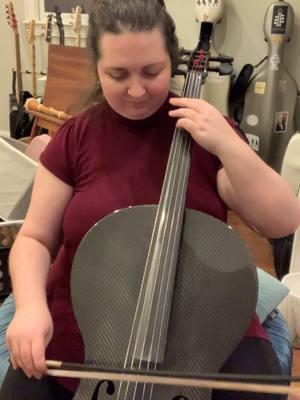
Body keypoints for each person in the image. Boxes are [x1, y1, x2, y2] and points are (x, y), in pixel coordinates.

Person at [1, 0, 300, 399]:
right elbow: (35, 239)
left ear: (173, 62)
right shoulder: (76, 137)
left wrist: (230, 143)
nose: (137, 90)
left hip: (202, 316)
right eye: (118, 74)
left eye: (152, 71)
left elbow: (281, 221)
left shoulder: (205, 131)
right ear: (97, 68)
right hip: (89, 318)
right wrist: (30, 309)